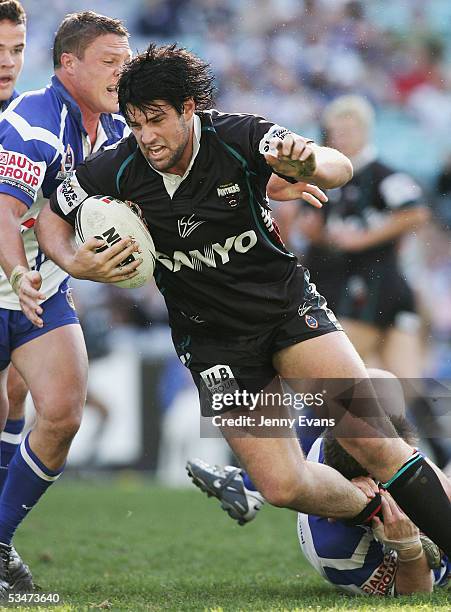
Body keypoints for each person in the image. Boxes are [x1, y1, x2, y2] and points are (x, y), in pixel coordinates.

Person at [36, 43, 451, 555]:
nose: (146, 137)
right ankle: (377, 511)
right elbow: (53, 213)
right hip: (214, 344)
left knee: (372, 438)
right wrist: (74, 261)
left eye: (156, 121)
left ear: (190, 108)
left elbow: (338, 164)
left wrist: (309, 165)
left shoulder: (239, 137)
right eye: (135, 123)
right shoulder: (118, 168)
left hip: (288, 312)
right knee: (282, 486)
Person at [0, 11, 132, 593]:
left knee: (62, 410)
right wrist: (17, 271)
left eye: (16, 48)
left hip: (41, 285)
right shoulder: (36, 119)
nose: (121, 74)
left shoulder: (116, 130)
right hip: (19, 276)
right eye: (110, 62)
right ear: (69, 64)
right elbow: (3, 212)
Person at [268, 95, 450, 469]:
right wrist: (319, 236)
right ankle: (443, 460)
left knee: (331, 382)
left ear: (365, 131)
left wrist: (361, 239)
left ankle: (266, 478)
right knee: (409, 384)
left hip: (374, 289)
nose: (342, 138)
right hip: (376, 292)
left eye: (349, 130)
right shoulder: (329, 177)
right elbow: (316, 230)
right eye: (336, 132)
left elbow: (415, 212)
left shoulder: (383, 174)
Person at [187, 422, 450, 596]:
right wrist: (410, 548)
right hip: (415, 556)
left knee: (377, 382)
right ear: (372, 478)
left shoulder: (334, 444)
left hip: (350, 491)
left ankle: (250, 484)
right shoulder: (342, 552)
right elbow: (414, 595)